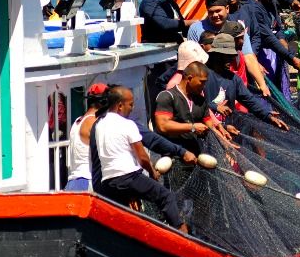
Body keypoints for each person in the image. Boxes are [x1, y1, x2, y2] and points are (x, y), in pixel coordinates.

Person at [91, 86, 183, 226]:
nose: (132, 108)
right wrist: (152, 172)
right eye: (131, 104)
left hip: (108, 182)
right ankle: (183, 237)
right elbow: (142, 157)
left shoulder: (99, 125)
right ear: (120, 105)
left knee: (125, 214)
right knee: (166, 197)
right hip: (128, 176)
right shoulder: (128, 124)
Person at [204, 35, 290, 132]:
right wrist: (215, 107)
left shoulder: (233, 79)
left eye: (232, 55)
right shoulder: (202, 76)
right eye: (227, 56)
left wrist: (268, 116)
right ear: (216, 55)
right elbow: (193, 104)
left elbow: (249, 100)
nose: (231, 59)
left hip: (228, 128)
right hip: (207, 128)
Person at [247, 0, 300, 98]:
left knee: (281, 88)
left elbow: (277, 25)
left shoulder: (271, 0)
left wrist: (282, 38)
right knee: (269, 91)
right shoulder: (254, 9)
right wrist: (291, 58)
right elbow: (268, 37)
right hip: (262, 52)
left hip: (276, 49)